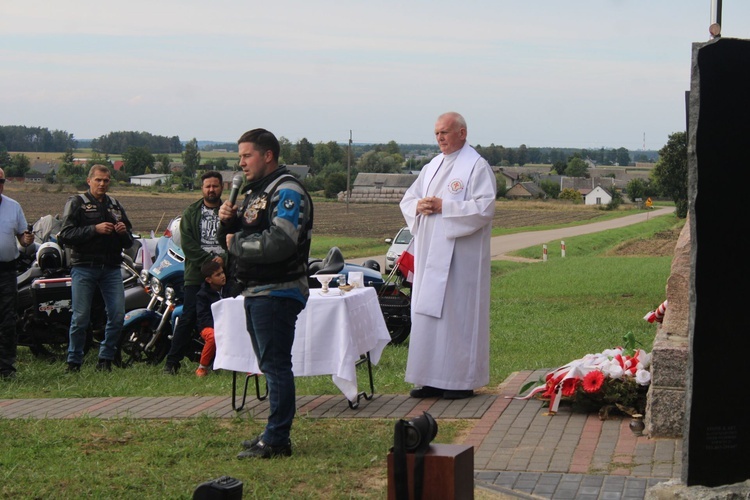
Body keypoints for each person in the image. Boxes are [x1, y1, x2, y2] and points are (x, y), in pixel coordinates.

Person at [218, 128, 313, 459]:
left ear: (268, 155)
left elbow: (281, 242)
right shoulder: (256, 192)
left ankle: (277, 439)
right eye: (240, 156)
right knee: (269, 364)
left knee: (275, 365)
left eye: (247, 155)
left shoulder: (287, 192)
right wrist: (227, 223)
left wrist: (238, 243)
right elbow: (234, 243)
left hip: (279, 289)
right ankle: (273, 431)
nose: (241, 163)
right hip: (258, 289)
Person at [399, 112, 496, 399]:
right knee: (427, 314)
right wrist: (421, 205)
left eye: (445, 132)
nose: (440, 138)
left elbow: (485, 208)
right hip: (430, 256)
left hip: (460, 261)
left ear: (462, 133)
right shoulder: (432, 166)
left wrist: (447, 207)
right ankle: (429, 378)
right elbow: (408, 199)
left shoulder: (477, 166)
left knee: (457, 316)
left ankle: (459, 381)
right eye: (437, 133)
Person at [59, 164, 134, 372]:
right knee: (81, 318)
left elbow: (129, 242)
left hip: (111, 268)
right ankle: (74, 361)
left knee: (118, 315)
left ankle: (105, 359)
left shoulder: (115, 206)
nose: (102, 184)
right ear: (89, 180)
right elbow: (65, 235)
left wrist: (122, 232)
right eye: (98, 180)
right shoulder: (77, 203)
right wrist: (94, 229)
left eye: (106, 180)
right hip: (84, 266)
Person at [163, 171, 226, 374]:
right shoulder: (191, 212)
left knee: (227, 316)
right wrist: (209, 262)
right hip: (196, 274)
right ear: (202, 188)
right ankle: (172, 363)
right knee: (189, 316)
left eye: (215, 186)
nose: (211, 190)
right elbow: (187, 244)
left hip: (225, 273)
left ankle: (224, 362)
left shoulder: (229, 211)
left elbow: (237, 238)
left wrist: (224, 259)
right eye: (207, 186)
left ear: (222, 187)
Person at [0, 168, 35, 379]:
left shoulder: (13, 207)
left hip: (6, 272)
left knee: (7, 321)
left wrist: (26, 240)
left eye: (1, 181)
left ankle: (5, 368)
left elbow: (22, 237)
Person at [194, 259, 229, 377]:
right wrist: (219, 327)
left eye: (222, 273)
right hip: (208, 326)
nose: (223, 276)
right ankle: (202, 367)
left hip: (230, 324)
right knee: (213, 336)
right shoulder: (202, 295)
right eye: (218, 275)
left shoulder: (230, 288)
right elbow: (203, 317)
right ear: (208, 280)